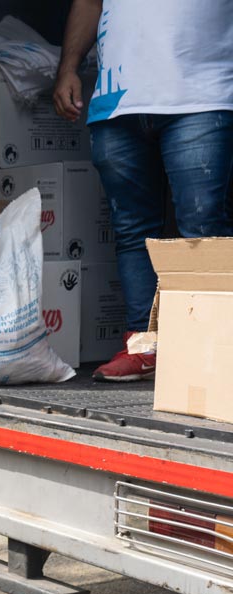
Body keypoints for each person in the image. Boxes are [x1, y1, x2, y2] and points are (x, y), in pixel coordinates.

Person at [53, 0, 233, 381]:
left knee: (203, 231)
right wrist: (68, 68)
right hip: (116, 102)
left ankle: (210, 349)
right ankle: (144, 346)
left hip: (202, 95)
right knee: (133, 233)